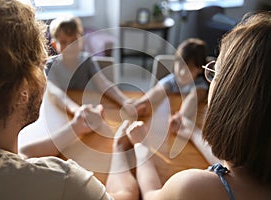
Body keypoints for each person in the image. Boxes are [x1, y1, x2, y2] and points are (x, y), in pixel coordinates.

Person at [0, 1, 139, 199]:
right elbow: (124, 194)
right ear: (22, 91)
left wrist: (76, 127)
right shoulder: (65, 183)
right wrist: (120, 149)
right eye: (41, 64)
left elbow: (22, 153)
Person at [124, 11, 271, 200]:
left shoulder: (192, 189)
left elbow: (151, 196)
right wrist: (192, 132)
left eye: (215, 73)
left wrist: (140, 145)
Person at [46, 15, 130, 114]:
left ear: (82, 41)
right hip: (63, 111)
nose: (70, 47)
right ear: (55, 45)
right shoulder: (50, 65)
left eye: (74, 41)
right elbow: (55, 92)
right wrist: (76, 110)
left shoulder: (87, 61)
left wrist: (126, 102)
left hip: (89, 108)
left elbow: (103, 84)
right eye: (64, 42)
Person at [125, 38, 209, 132]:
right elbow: (158, 90)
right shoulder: (172, 79)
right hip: (162, 120)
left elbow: (193, 99)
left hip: (185, 120)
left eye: (190, 69)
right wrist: (141, 102)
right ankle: (139, 105)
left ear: (200, 69)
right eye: (181, 65)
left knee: (195, 95)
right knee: (159, 91)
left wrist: (180, 117)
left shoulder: (200, 84)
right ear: (175, 62)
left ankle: (179, 119)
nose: (182, 72)